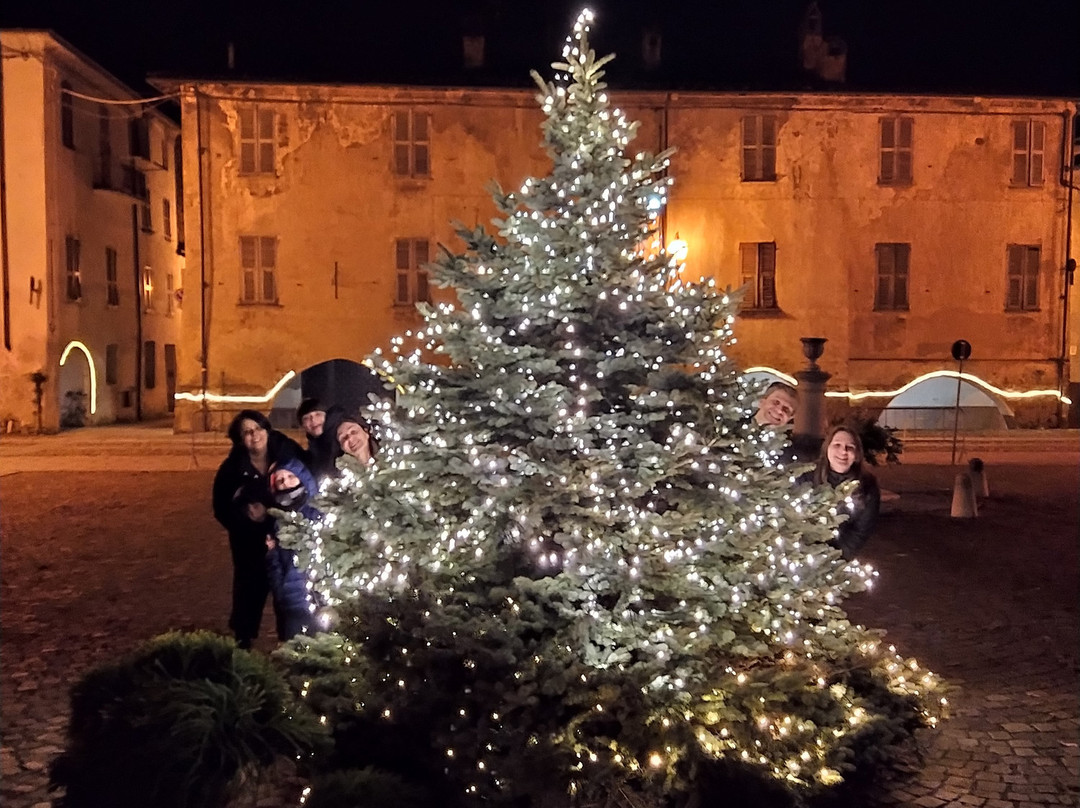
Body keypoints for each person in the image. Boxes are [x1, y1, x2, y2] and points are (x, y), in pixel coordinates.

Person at [212, 409, 303, 649]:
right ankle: (243, 643)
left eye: (258, 428)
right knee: (248, 591)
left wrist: (275, 512)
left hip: (286, 537)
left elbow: (306, 486)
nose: (254, 435)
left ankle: (290, 643)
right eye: (247, 432)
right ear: (241, 439)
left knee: (287, 590)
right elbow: (220, 507)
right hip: (248, 542)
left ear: (267, 429)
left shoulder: (288, 454)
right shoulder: (232, 468)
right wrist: (245, 518)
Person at [798, 424, 881, 561]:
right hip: (802, 556)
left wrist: (834, 560)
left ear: (857, 455)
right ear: (827, 449)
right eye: (837, 445)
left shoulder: (867, 486)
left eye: (850, 447)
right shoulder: (806, 476)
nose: (843, 451)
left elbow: (860, 532)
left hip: (838, 560)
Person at [265, 458, 321, 641]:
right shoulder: (278, 522)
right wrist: (272, 554)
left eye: (290, 477)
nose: (286, 483)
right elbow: (277, 565)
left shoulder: (318, 513)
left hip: (321, 602)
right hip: (292, 604)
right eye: (280, 480)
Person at [296, 398, 342, 479]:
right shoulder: (314, 452)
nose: (313, 420)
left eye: (318, 414)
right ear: (303, 426)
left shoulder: (342, 436)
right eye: (306, 418)